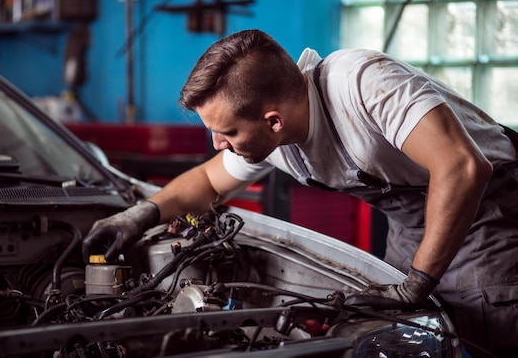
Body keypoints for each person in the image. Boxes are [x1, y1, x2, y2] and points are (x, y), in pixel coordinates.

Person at [83, 29, 518, 357]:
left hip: (489, 207)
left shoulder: (364, 84)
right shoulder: (276, 137)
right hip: (412, 217)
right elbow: (208, 182)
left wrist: (418, 281)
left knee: (483, 332)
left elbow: (462, 167)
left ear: (273, 120)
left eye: (226, 133)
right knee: (401, 332)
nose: (218, 144)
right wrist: (141, 214)